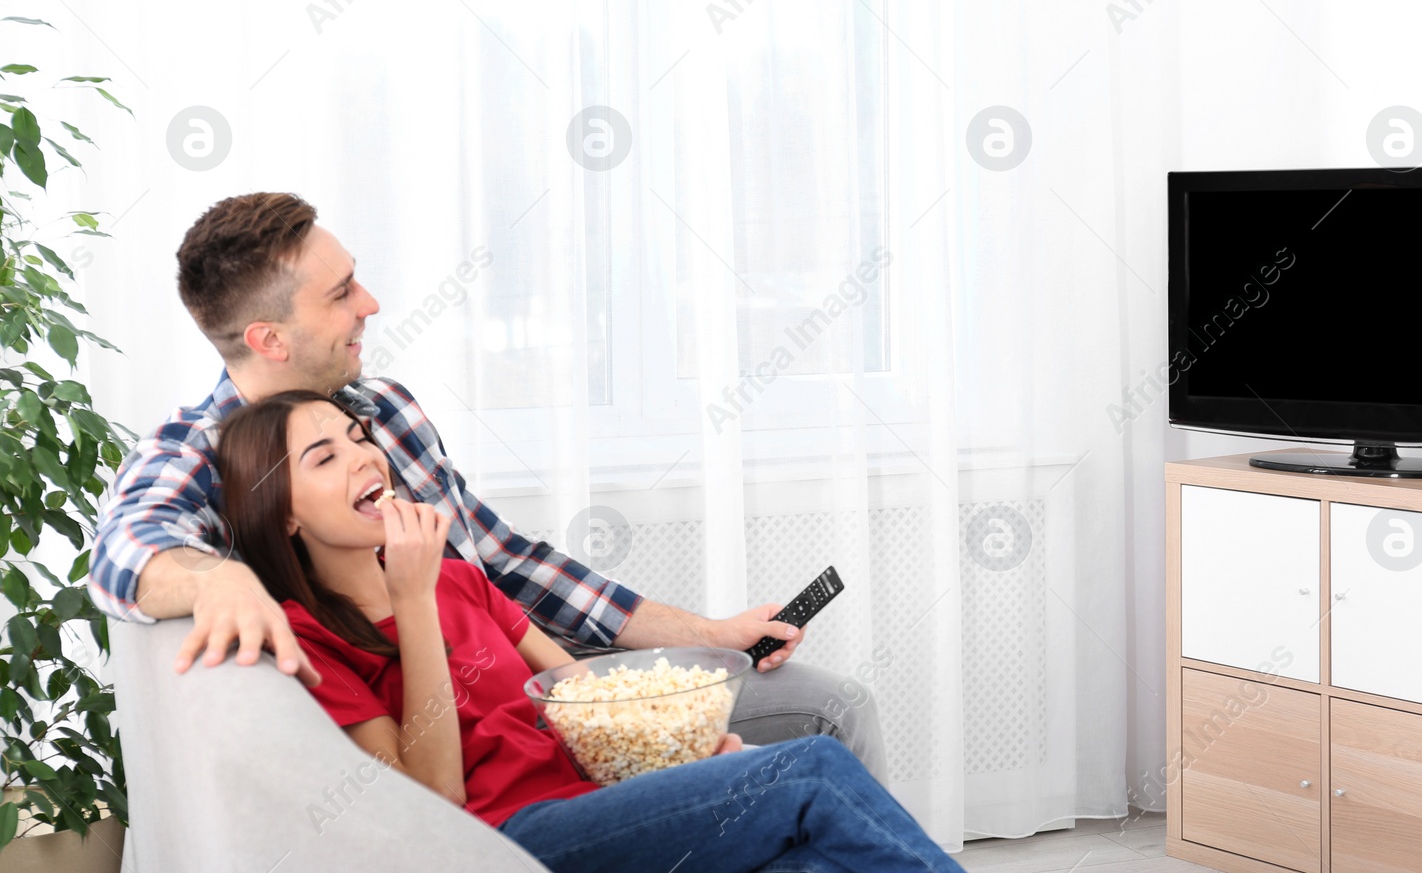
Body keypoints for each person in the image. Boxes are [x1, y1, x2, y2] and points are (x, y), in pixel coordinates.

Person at [88, 192, 884, 776]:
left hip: (538, 677)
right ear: (269, 337)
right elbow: (124, 548)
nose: (371, 303)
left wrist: (708, 637)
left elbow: (508, 563)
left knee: (823, 718)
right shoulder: (207, 451)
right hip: (465, 736)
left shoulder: (382, 407)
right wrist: (217, 575)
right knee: (821, 735)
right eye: (341, 294)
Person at [214, 389, 955, 871]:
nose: (365, 455)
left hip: (589, 803)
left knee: (813, 861)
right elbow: (432, 800)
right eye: (325, 456)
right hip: (507, 840)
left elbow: (580, 693)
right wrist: (410, 601)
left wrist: (683, 757)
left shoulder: (457, 577)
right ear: (283, 513)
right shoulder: (311, 641)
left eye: (356, 436)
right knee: (813, 768)